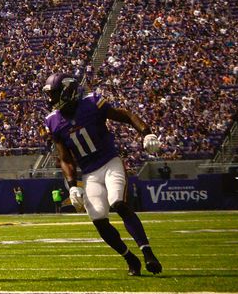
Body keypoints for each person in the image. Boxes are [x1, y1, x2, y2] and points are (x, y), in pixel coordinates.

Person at [44, 74, 162, 276]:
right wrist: (72, 185)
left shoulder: (92, 103)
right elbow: (65, 158)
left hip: (110, 162)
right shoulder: (54, 121)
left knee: (118, 203)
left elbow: (125, 115)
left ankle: (147, 252)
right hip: (89, 174)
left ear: (67, 91)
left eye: (54, 94)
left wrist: (146, 132)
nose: (51, 100)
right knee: (98, 219)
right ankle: (129, 258)